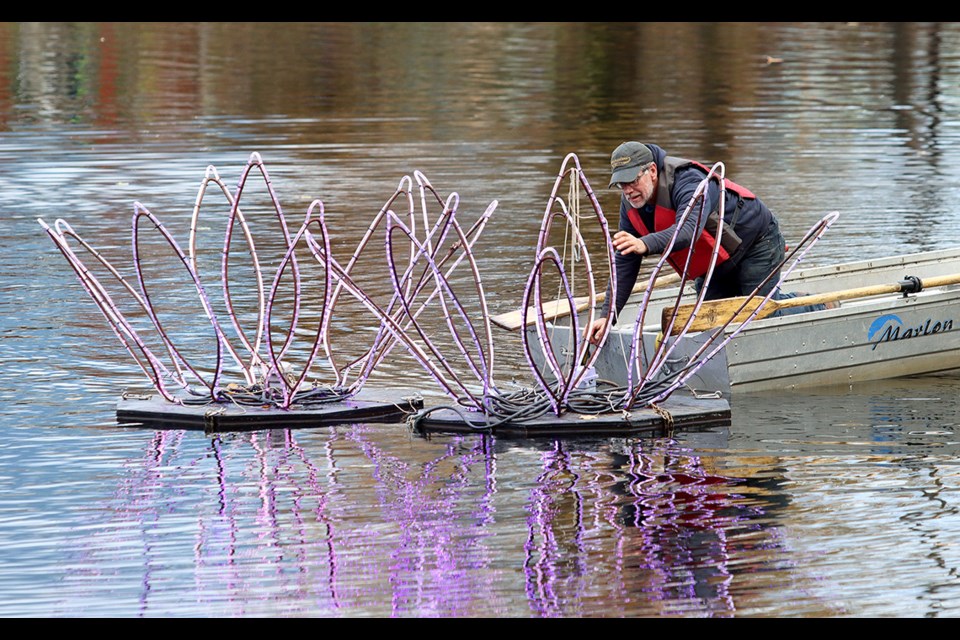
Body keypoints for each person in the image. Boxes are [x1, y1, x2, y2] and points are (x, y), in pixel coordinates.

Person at [585, 141, 826, 345]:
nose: (627, 190)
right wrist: (608, 316)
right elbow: (625, 263)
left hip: (757, 243)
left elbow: (687, 230)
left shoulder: (688, 181)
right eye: (621, 184)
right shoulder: (631, 204)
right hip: (716, 261)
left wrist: (645, 244)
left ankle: (817, 305)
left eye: (632, 181)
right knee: (710, 321)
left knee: (756, 315)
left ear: (651, 170)